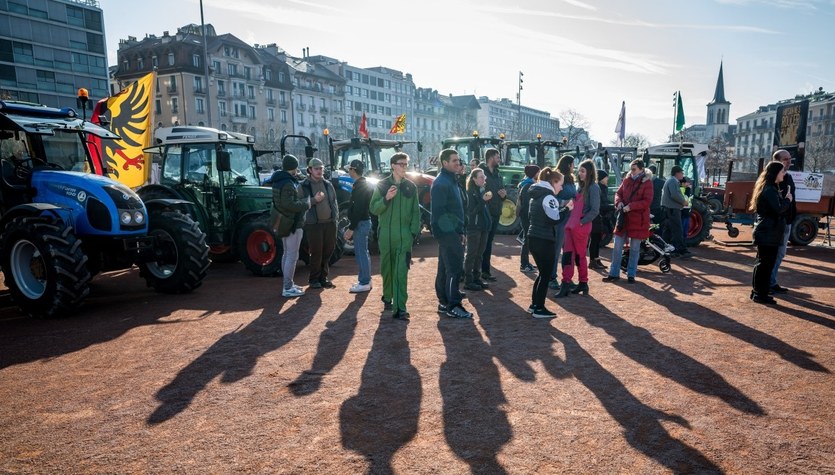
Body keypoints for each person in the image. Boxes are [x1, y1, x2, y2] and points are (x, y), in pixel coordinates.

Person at [370, 152, 421, 320]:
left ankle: (400, 308)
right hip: (385, 235)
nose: (404, 167)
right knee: (387, 268)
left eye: (406, 164)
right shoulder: (382, 185)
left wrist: (413, 233)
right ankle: (387, 296)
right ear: (392, 165)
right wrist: (386, 198)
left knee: (401, 272)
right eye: (401, 164)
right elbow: (374, 209)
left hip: (404, 236)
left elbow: (416, 212)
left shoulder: (411, 187)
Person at [431, 149, 473, 319]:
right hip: (447, 233)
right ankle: (453, 305)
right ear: (445, 163)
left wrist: (460, 231)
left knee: (445, 268)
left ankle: (444, 301)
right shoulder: (442, 183)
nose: (458, 163)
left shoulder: (451, 180)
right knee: (454, 269)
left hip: (452, 232)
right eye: (454, 160)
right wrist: (454, 233)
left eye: (458, 160)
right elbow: (440, 213)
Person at [526, 167, 573, 318]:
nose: (562, 187)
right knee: (545, 274)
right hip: (543, 239)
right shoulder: (549, 197)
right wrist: (567, 209)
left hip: (534, 236)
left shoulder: (536, 195)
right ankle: (539, 307)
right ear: (553, 182)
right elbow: (554, 219)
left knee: (542, 274)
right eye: (560, 184)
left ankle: (535, 305)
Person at [270, 154, 318, 298]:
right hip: (292, 222)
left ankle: (288, 283)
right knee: (291, 255)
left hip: (284, 221)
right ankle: (287, 286)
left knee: (286, 254)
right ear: (294, 167)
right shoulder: (288, 183)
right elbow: (290, 204)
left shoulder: (278, 180)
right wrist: (308, 203)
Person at [603, 159, 654, 284]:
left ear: (641, 170)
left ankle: (631, 274)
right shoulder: (627, 180)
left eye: (634, 169)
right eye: (631, 169)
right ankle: (614, 273)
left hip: (638, 220)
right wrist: (619, 202)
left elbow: (646, 202)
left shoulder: (647, 183)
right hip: (624, 219)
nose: (631, 172)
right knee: (617, 247)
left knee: (635, 249)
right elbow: (618, 193)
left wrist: (631, 206)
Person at [748, 160, 791, 304]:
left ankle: (758, 292)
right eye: (782, 171)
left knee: (762, 264)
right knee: (765, 265)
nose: (784, 174)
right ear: (775, 173)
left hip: (767, 231)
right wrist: (787, 200)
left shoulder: (767, 187)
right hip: (768, 232)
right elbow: (778, 209)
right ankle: (760, 294)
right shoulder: (770, 189)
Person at [556, 159, 600, 297]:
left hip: (581, 226)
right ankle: (567, 283)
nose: (579, 173)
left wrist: (582, 222)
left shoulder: (593, 187)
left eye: (582, 171)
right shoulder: (580, 186)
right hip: (571, 225)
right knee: (568, 255)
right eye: (579, 170)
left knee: (580, 255)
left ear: (589, 172)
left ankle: (583, 282)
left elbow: (595, 210)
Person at [300, 157, 339, 289]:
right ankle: (314, 279)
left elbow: (334, 202)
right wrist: (313, 200)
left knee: (328, 250)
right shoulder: (303, 186)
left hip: (330, 223)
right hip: (313, 224)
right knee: (317, 252)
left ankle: (324, 277)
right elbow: (299, 204)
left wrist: (336, 218)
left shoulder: (328, 184)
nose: (319, 171)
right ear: (310, 170)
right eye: (316, 169)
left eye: (321, 168)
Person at [344, 159, 373, 293]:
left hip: (360, 223)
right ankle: (365, 279)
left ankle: (364, 281)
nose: (348, 171)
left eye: (349, 169)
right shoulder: (362, 184)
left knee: (361, 253)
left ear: (353, 170)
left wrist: (351, 227)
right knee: (363, 252)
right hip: (363, 222)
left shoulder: (360, 186)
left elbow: (359, 209)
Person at [770, 149, 797, 295]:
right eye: (785, 159)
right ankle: (769, 283)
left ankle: (772, 282)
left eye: (789, 158)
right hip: (778, 222)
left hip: (786, 221)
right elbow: (779, 203)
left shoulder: (788, 177)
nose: (789, 161)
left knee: (780, 254)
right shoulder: (774, 181)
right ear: (777, 161)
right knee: (774, 254)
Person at [549, 155, 577, 289]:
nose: (574, 167)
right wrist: (564, 203)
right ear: (568, 165)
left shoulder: (571, 179)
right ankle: (551, 278)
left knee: (568, 251)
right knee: (555, 250)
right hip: (560, 219)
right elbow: (551, 197)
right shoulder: (557, 177)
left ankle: (567, 278)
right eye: (572, 164)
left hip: (570, 219)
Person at [479, 148, 507, 282]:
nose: (499, 160)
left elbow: (501, 191)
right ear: (491, 158)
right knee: (480, 244)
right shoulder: (480, 174)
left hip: (495, 213)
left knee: (488, 243)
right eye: (497, 157)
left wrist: (503, 196)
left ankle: (485, 271)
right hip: (484, 213)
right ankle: (475, 272)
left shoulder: (498, 174)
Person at [463, 168, 492, 291]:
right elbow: (472, 212)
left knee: (479, 254)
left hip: (483, 227)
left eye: (484, 176)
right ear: (474, 179)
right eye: (481, 177)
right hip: (474, 228)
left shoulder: (481, 190)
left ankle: (477, 278)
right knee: (471, 254)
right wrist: (483, 201)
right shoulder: (470, 192)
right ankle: (468, 281)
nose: (484, 178)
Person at [660, 165, 691, 257]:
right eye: (681, 172)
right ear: (677, 173)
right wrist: (683, 202)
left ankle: (666, 249)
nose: (682, 174)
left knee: (668, 231)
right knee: (678, 230)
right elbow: (675, 194)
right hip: (673, 210)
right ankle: (681, 250)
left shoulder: (670, 181)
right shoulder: (673, 181)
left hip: (668, 209)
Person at [517, 164, 540, 273]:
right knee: (526, 240)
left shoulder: (526, 184)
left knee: (527, 240)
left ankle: (526, 263)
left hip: (525, 217)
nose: (539, 174)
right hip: (526, 217)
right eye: (538, 172)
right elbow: (526, 205)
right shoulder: (528, 186)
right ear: (534, 173)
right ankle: (524, 264)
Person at [589, 170, 612, 270]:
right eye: (606, 177)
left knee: (597, 239)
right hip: (596, 217)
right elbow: (599, 205)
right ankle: (593, 261)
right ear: (602, 178)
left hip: (601, 216)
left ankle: (596, 259)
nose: (608, 179)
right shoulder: (598, 188)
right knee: (594, 239)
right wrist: (613, 207)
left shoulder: (602, 188)